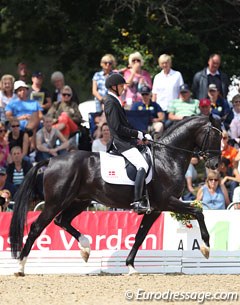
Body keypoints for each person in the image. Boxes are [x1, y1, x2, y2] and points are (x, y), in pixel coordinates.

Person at [104, 73, 153, 213]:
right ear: (113, 87)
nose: (123, 89)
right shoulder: (110, 102)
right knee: (142, 164)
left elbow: (126, 124)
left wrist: (142, 133)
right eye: (121, 86)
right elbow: (118, 127)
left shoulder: (114, 100)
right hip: (120, 142)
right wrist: (137, 134)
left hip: (126, 140)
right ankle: (137, 201)